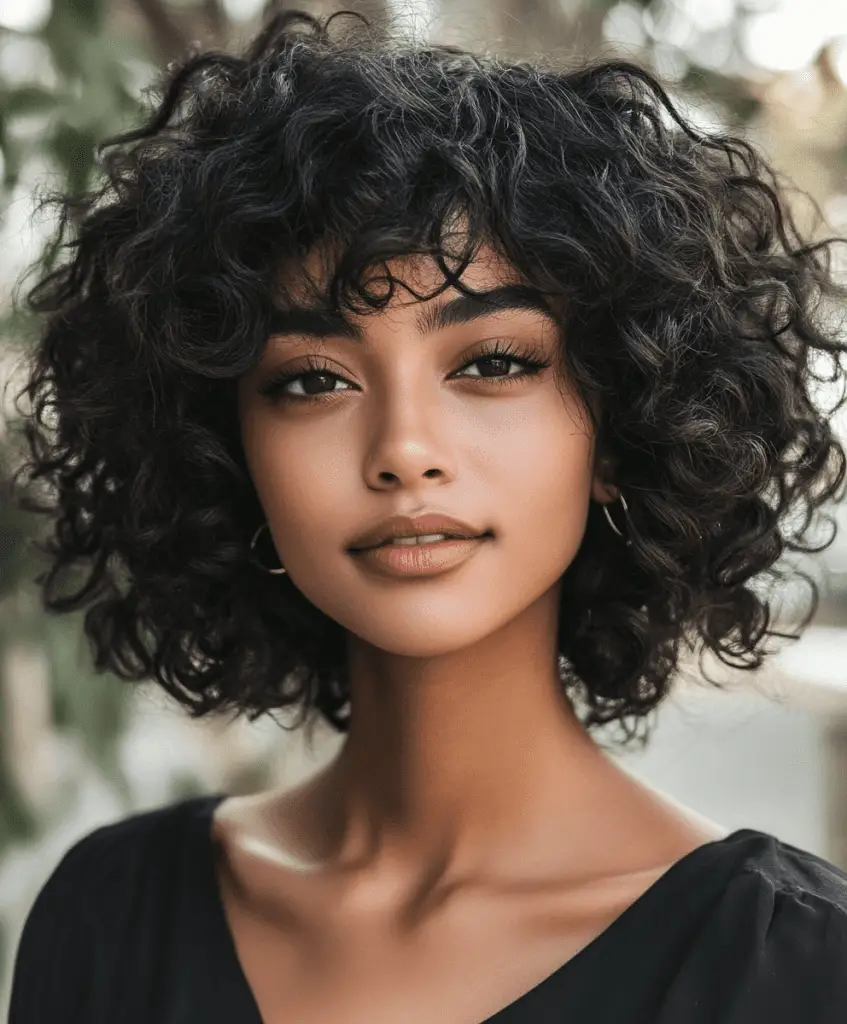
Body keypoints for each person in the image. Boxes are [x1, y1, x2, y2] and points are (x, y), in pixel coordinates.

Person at [7, 6, 847, 1022]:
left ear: (622, 429)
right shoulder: (111, 917)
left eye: (493, 363)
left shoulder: (794, 969)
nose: (404, 448)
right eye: (312, 380)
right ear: (225, 453)